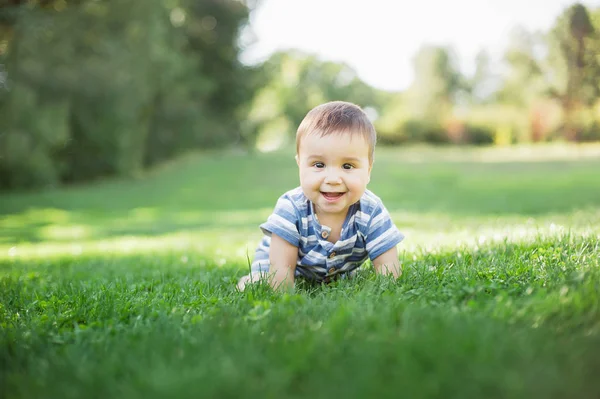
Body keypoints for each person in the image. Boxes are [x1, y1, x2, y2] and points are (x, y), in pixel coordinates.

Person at [237, 101, 404, 291]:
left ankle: (339, 273)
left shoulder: (371, 209)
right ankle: (256, 276)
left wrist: (387, 290)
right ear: (300, 164)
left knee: (343, 279)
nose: (332, 179)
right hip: (276, 261)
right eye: (319, 165)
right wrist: (285, 298)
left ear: (368, 170)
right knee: (262, 280)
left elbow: (388, 267)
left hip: (336, 268)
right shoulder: (291, 207)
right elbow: (281, 267)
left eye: (347, 166)